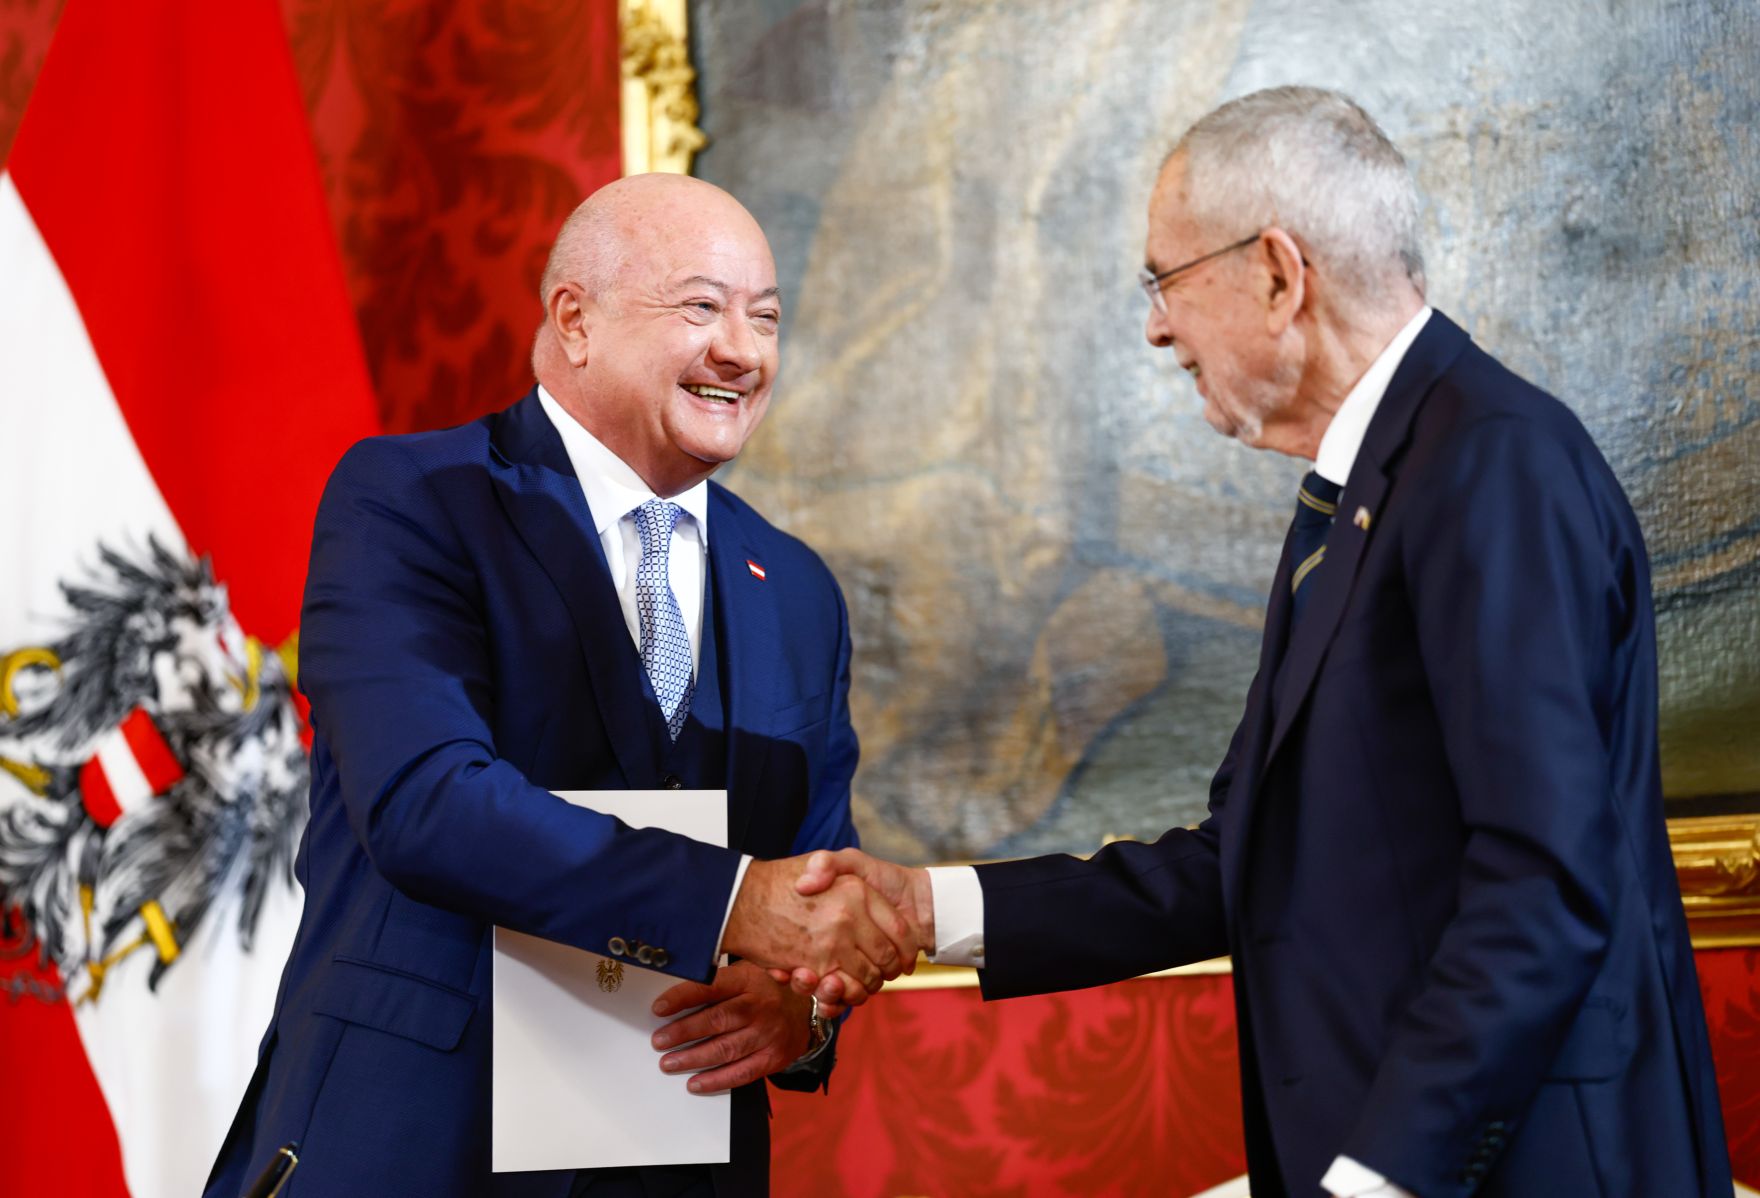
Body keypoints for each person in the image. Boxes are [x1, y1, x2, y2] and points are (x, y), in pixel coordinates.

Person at [795, 87, 1732, 1197]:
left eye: (1164, 281)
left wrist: (1376, 1177)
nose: (1153, 325)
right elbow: (1236, 858)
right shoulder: (1365, 493)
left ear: (1278, 274)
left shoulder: (1490, 467)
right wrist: (926, 910)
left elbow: (1542, 884)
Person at [205, 174, 917, 1198]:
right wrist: (726, 907)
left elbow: (807, 880)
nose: (742, 350)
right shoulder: (415, 501)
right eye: (700, 307)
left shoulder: (795, 587)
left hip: (676, 1163)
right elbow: (427, 804)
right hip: (421, 1146)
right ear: (573, 321)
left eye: (765, 318)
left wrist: (796, 1007)